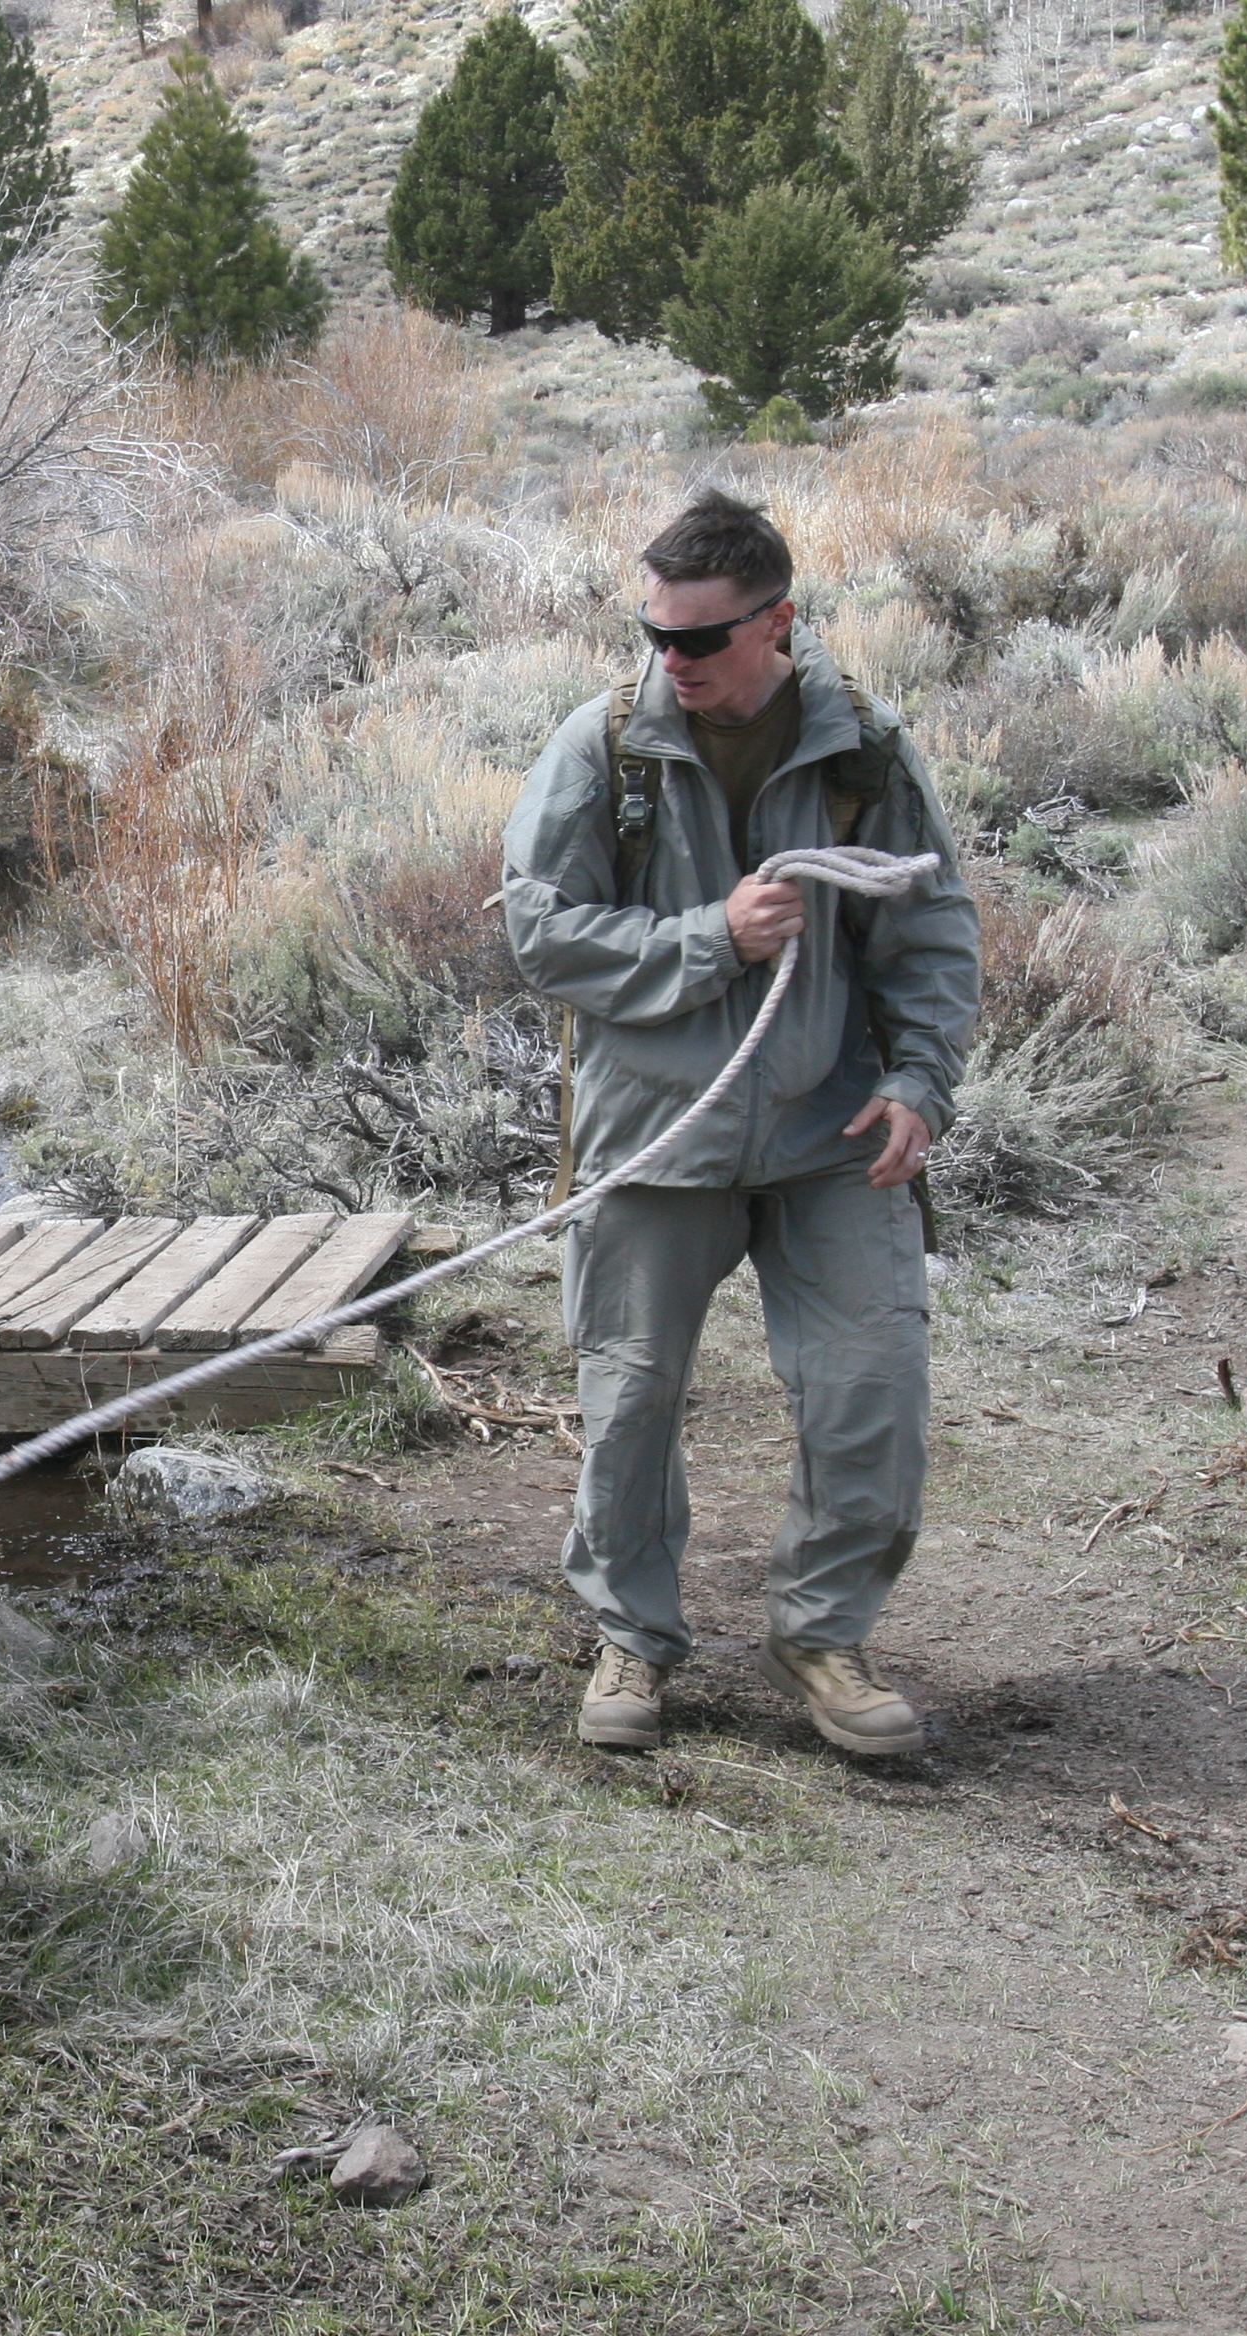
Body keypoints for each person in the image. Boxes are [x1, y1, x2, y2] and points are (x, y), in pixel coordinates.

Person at [499, 490, 980, 1758]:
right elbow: (539, 931)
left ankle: (824, 1636)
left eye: (701, 639)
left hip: (834, 1129)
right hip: (658, 1133)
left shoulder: (864, 752)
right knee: (632, 1395)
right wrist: (712, 938)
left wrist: (921, 1082)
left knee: (870, 1384)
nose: (673, 660)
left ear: (779, 624)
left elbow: (932, 932)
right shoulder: (603, 749)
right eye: (654, 632)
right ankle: (632, 1639)